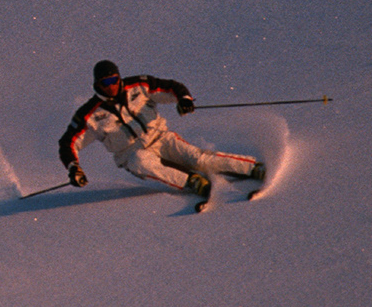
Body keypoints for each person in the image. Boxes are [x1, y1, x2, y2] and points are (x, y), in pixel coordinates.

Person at [58, 59, 264, 204]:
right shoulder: (89, 114)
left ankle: (252, 168)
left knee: (197, 157)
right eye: (106, 83)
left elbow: (172, 87)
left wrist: (184, 100)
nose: (111, 86)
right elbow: (68, 143)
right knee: (142, 162)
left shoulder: (138, 85)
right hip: (130, 153)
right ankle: (192, 182)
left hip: (159, 137)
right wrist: (73, 167)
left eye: (114, 80)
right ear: (97, 84)